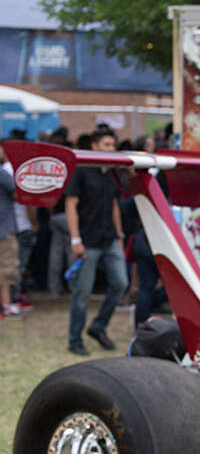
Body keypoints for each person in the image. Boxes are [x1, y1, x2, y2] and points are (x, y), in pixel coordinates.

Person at [64, 129, 129, 355]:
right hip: (87, 239)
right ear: (94, 146)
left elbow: (114, 206)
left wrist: (120, 236)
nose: (110, 149)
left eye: (113, 145)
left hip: (109, 238)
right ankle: (75, 340)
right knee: (82, 293)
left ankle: (98, 326)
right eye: (106, 144)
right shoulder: (81, 171)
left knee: (121, 283)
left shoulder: (112, 173)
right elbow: (70, 205)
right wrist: (75, 239)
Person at [0, 156, 21, 319]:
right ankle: (7, 306)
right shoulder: (2, 173)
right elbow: (17, 194)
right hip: (3, 228)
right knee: (7, 269)